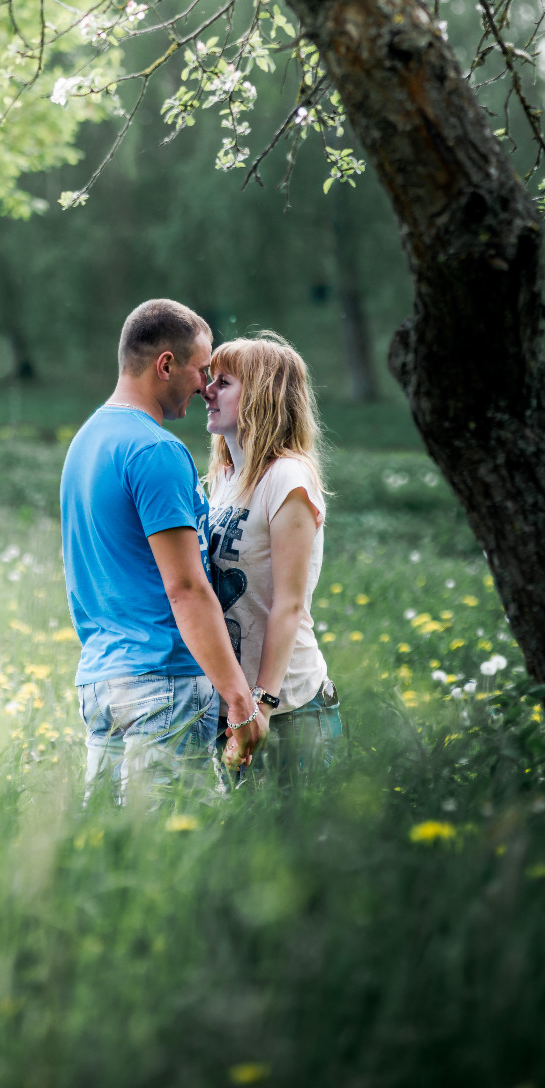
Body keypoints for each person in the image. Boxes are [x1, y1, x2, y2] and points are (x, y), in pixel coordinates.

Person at [60, 298, 265, 799]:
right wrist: (240, 702)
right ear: (166, 365)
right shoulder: (155, 450)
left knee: (111, 851)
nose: (205, 386)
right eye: (201, 370)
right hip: (162, 683)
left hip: (102, 680)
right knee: (169, 852)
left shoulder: (86, 442)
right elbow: (187, 588)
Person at [205, 331, 341, 783]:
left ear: (262, 395)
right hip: (236, 709)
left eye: (224, 382)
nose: (208, 390)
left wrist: (261, 703)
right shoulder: (226, 476)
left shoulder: (288, 477)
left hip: (290, 711)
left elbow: (289, 604)